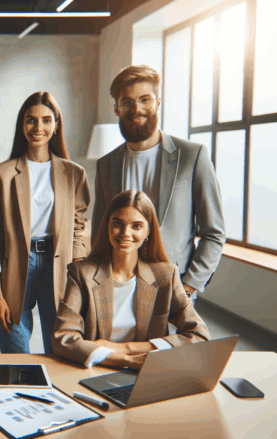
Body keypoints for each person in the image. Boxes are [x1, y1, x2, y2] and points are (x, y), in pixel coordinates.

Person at [92, 65, 225, 299]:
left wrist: (188, 287)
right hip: (118, 285)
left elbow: (213, 233)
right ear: (117, 108)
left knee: (169, 339)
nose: (137, 109)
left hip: (173, 287)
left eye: (145, 100)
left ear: (158, 102)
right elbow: (100, 232)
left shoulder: (192, 156)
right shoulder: (106, 164)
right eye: (127, 102)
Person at [53, 190, 211, 369]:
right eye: (118, 223)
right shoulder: (81, 273)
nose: (125, 233)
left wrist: (127, 348)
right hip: (95, 368)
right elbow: (63, 337)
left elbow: (200, 335)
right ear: (107, 226)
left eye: (136, 226)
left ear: (148, 231)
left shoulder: (166, 275)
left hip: (148, 370)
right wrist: (124, 360)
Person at [0, 92, 90, 354]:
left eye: (46, 120)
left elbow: (78, 230)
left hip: (59, 265)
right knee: (14, 349)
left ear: (56, 125)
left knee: (61, 349)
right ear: (22, 125)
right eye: (31, 120)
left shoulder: (74, 173)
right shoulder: (2, 174)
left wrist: (77, 283)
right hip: (15, 265)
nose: (38, 128)